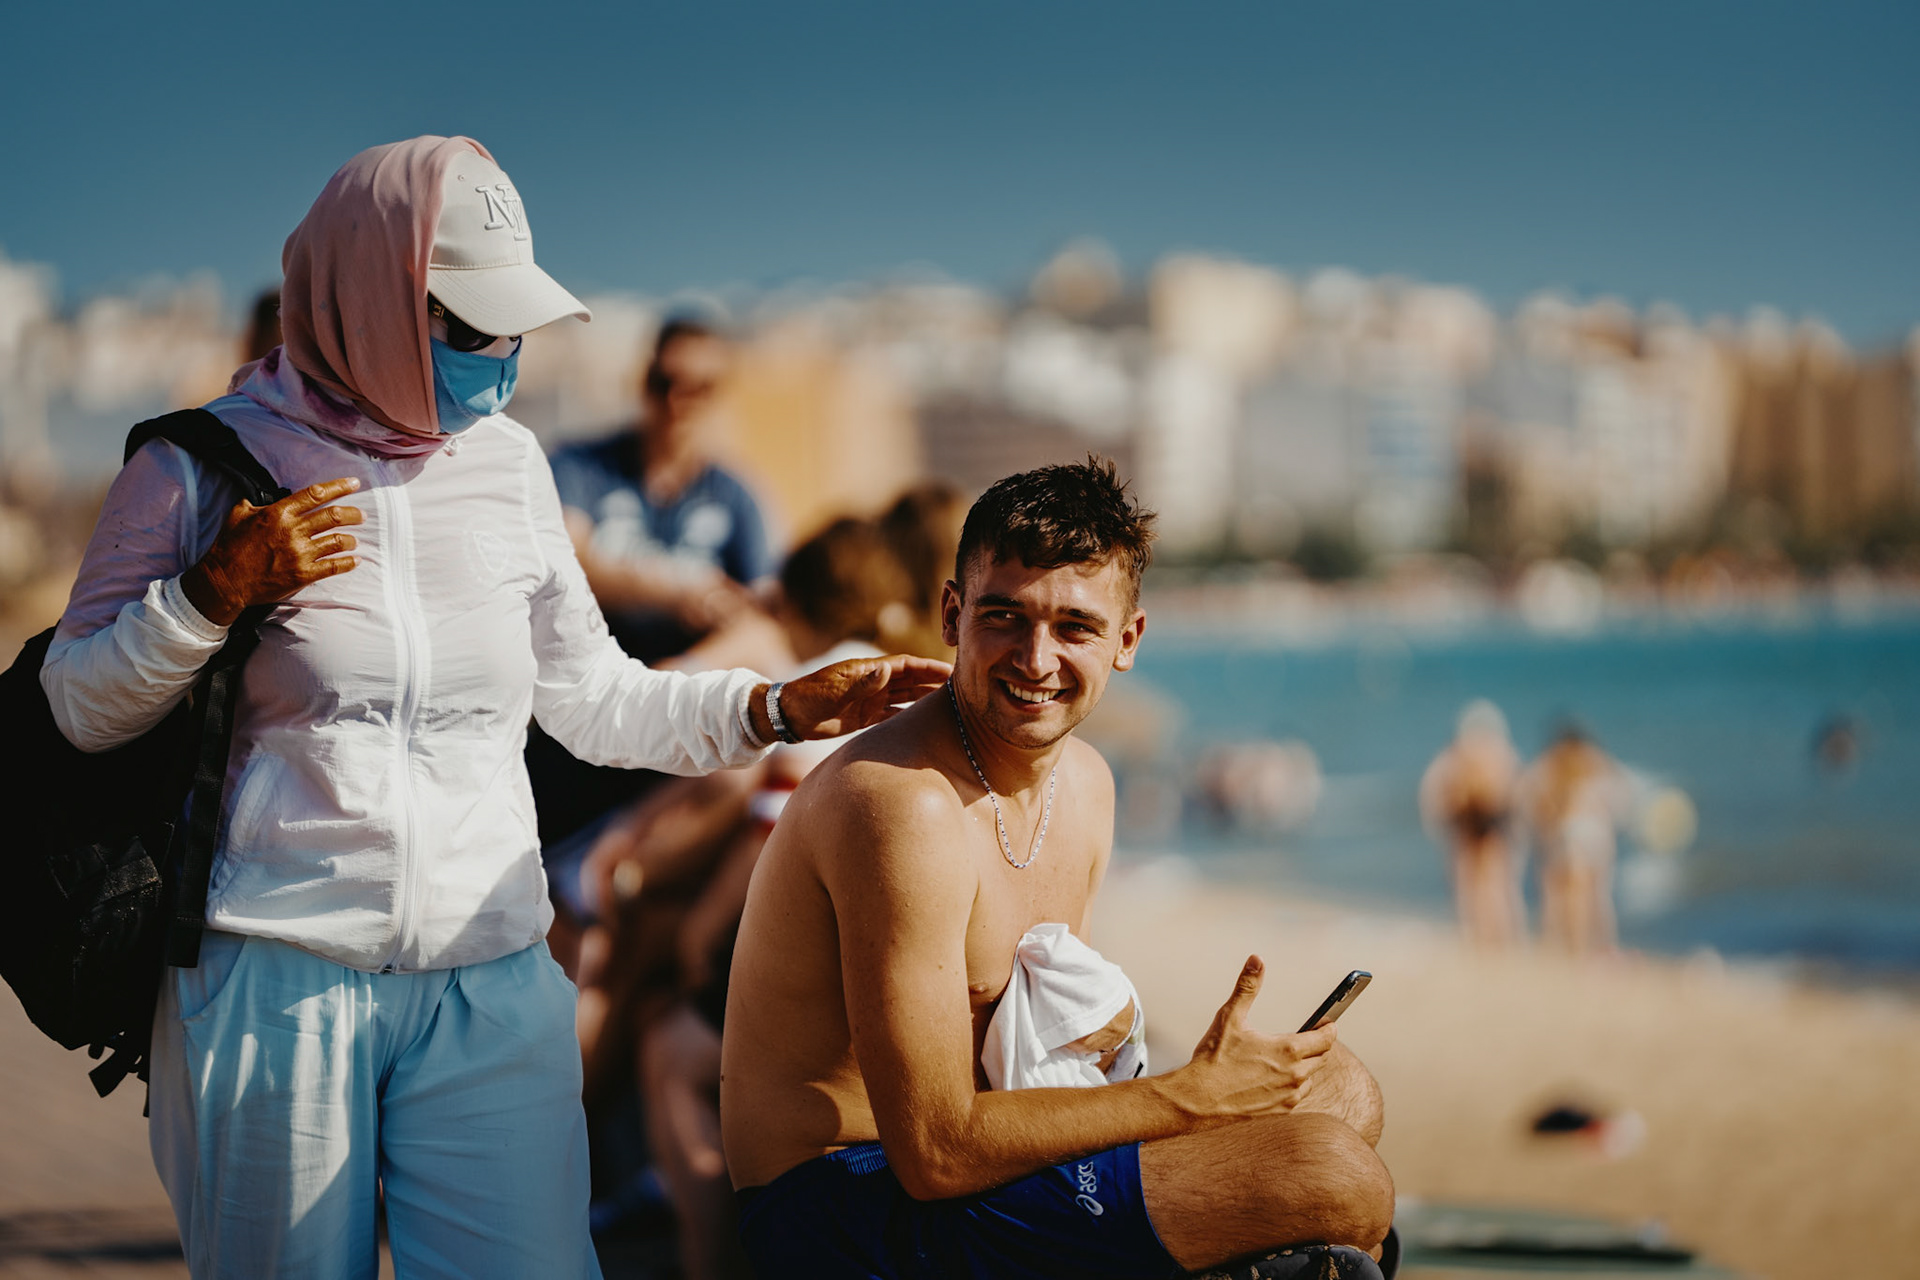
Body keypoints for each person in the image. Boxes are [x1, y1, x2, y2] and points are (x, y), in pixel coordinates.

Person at [38, 135, 946, 1280]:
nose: (500, 354)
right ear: (367, 296)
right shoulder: (197, 469)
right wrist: (212, 594)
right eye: (468, 324)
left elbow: (594, 697)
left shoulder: (512, 467)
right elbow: (77, 707)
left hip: (493, 968)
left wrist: (772, 706)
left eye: (512, 323)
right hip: (277, 981)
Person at [720, 459, 1393, 1279]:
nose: (1036, 659)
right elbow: (932, 1150)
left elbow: (1034, 1051)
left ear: (1128, 641)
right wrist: (1189, 1099)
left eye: (1075, 627)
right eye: (1004, 617)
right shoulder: (901, 807)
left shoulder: (1088, 788)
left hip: (975, 1165)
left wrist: (1187, 1082)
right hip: (844, 1204)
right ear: (951, 614)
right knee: (1330, 1178)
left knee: (1340, 1091)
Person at [1516, 721, 1631, 956]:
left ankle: (1564, 946)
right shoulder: (1598, 761)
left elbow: (1525, 794)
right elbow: (1622, 798)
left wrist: (1540, 823)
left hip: (1564, 832)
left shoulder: (1550, 762)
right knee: (1598, 895)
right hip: (1597, 832)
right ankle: (1605, 947)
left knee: (1558, 895)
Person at [1418, 700, 1525, 948]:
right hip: (1484, 822)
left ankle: (1483, 938)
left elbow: (1433, 790)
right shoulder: (1503, 754)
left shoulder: (1456, 756)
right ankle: (1501, 939)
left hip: (1475, 822)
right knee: (1495, 885)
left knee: (1478, 884)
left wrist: (1438, 822)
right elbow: (1520, 792)